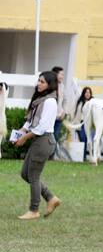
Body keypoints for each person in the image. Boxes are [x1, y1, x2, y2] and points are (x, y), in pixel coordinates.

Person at [14, 71, 62, 220]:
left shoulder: (50, 101)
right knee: (25, 174)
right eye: (38, 81)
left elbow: (41, 127)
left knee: (33, 176)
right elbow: (31, 121)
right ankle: (51, 198)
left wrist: (24, 138)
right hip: (38, 141)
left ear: (50, 84)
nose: (38, 84)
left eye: (42, 82)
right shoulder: (41, 100)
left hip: (44, 141)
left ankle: (34, 210)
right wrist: (21, 132)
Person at [51, 66, 67, 159]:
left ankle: (52, 156)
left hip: (59, 116)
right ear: (56, 74)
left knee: (55, 136)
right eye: (61, 74)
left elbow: (65, 100)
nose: (62, 76)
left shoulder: (62, 86)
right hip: (50, 116)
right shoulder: (50, 85)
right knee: (48, 136)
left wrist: (63, 112)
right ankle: (46, 154)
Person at [75, 87, 93, 160]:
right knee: (83, 139)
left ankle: (85, 156)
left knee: (87, 140)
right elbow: (76, 114)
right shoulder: (80, 102)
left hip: (89, 124)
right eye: (86, 92)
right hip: (81, 123)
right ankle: (82, 156)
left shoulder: (93, 102)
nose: (87, 94)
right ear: (83, 93)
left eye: (89, 92)